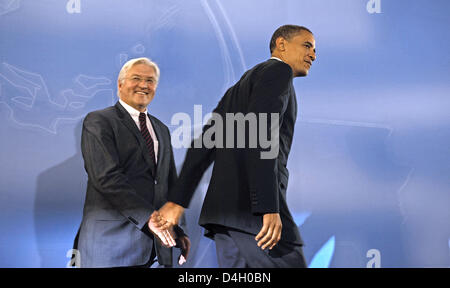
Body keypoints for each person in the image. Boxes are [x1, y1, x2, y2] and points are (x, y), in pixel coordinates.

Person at [157, 25, 316, 268]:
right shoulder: (279, 71)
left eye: (314, 50)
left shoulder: (238, 88)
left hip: (225, 220)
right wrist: (267, 208)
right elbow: (261, 135)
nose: (313, 55)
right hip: (255, 219)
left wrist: (177, 201)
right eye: (307, 45)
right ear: (281, 44)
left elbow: (204, 144)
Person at [74, 57, 190, 268]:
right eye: (136, 78)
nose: (144, 85)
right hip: (111, 247)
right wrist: (150, 218)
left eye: (150, 80)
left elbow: (169, 183)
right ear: (120, 84)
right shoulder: (99, 121)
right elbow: (106, 178)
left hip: (156, 248)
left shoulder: (161, 129)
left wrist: (178, 229)